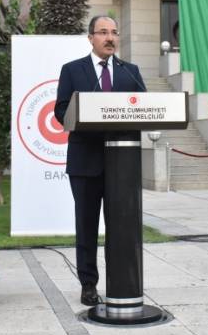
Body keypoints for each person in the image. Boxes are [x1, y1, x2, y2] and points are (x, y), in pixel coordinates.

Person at [54, 16, 146, 306]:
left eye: (114, 33)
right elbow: (61, 110)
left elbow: (144, 106)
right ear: (91, 37)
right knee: (87, 226)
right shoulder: (72, 70)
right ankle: (88, 285)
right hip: (85, 162)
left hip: (122, 165)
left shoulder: (130, 72)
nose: (110, 38)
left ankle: (122, 281)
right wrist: (85, 113)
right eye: (103, 32)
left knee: (121, 226)